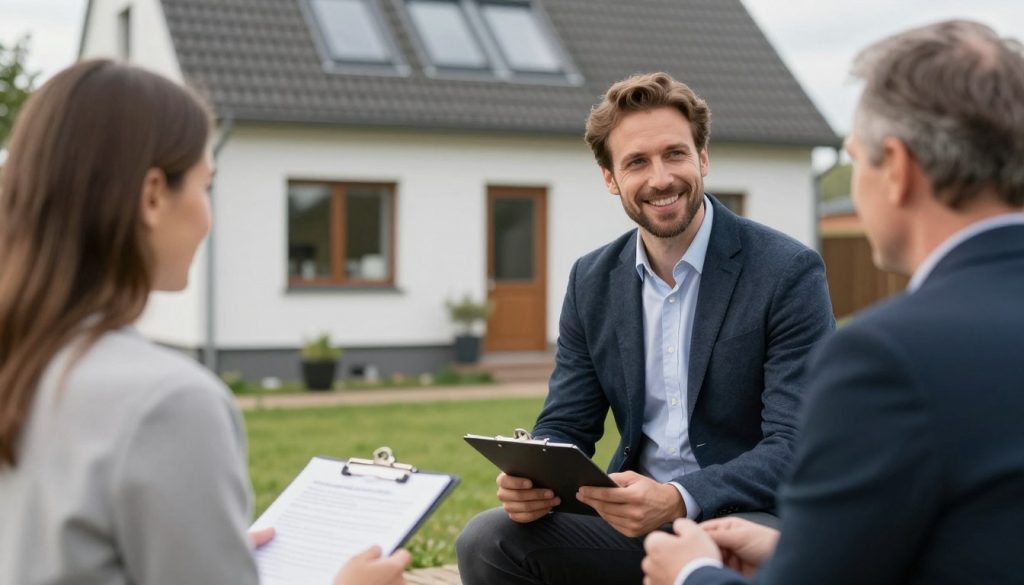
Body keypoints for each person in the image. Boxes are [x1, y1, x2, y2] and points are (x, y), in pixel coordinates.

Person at [641, 19, 1024, 585]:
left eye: (855, 157)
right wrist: (795, 547)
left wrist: (692, 573)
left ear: (895, 169)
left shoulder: (888, 356)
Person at [0, 59, 409, 585]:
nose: (207, 217)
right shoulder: (166, 403)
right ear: (152, 196)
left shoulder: (23, 364)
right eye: (205, 186)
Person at [456, 72, 835, 585]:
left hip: (747, 515)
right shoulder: (591, 279)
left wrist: (679, 497)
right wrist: (534, 478)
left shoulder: (786, 271)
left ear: (703, 158)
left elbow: (796, 444)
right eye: (636, 162)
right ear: (610, 177)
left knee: (720, 564)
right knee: (488, 540)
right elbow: (567, 422)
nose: (660, 178)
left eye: (675, 154)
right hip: (628, 516)